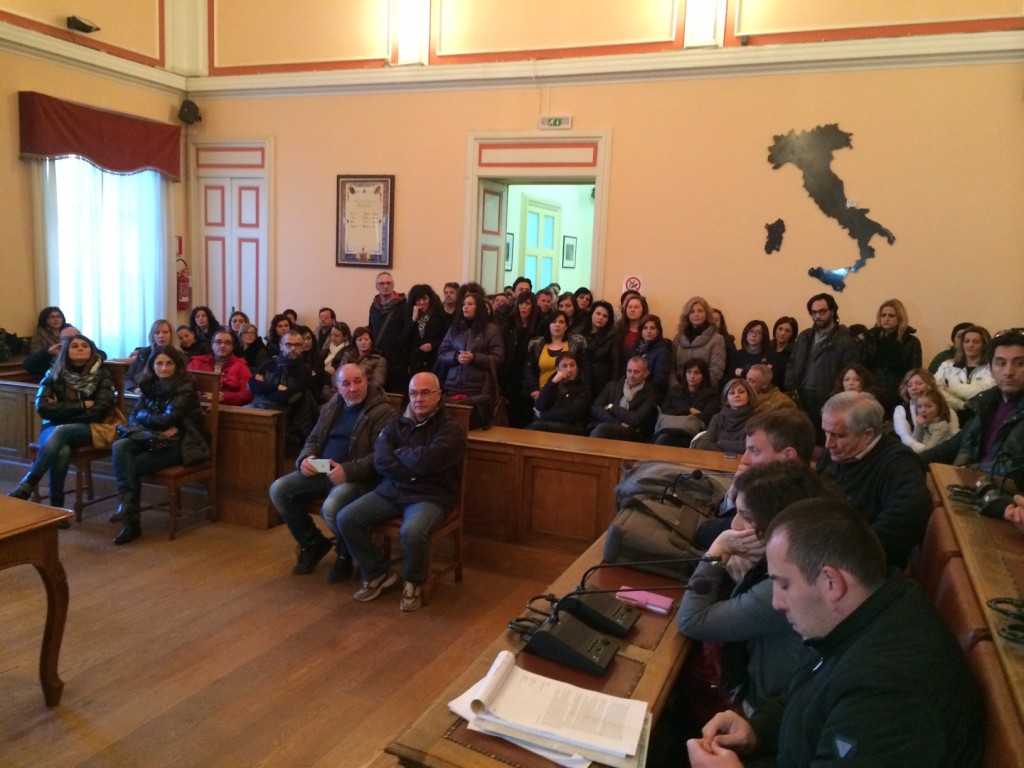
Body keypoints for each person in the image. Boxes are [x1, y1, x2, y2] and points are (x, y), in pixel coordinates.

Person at [687, 499, 985, 768]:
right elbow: (814, 692)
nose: (777, 602)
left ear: (832, 582)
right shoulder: (878, 605)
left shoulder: (888, 694)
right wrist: (757, 731)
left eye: (784, 584)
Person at [674, 463, 835, 735]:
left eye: (745, 516)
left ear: (778, 525)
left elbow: (691, 620)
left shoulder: (781, 586)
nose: (734, 525)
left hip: (758, 716)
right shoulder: (809, 550)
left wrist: (719, 548)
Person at [337, 372, 467, 612]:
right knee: (346, 517)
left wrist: (404, 455)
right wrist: (413, 466)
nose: (419, 398)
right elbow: (381, 460)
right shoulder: (396, 423)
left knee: (412, 531)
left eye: (426, 392)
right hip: (392, 490)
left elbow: (427, 462)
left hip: (431, 496)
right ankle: (378, 573)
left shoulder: (451, 429)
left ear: (439, 395)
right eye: (414, 393)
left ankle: (413, 581)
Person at [269, 363, 396, 581]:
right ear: (338, 387)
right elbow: (313, 438)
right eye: (346, 384)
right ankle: (313, 544)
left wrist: (346, 471)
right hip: (324, 467)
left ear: (367, 381)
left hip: (358, 475)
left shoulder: (383, 411)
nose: (353, 388)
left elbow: (380, 457)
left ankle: (345, 555)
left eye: (358, 381)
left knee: (332, 507)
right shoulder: (332, 405)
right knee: (279, 489)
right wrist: (306, 458)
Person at [7, 334, 117, 522]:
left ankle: (30, 481)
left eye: (84, 345)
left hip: (88, 428)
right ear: (67, 351)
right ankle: (57, 510)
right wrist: (83, 405)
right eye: (75, 346)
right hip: (53, 427)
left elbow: (99, 411)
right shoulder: (53, 373)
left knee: (62, 431)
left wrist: (60, 410)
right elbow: (42, 407)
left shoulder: (102, 375)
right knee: (63, 451)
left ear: (92, 350)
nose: (80, 348)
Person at [817, 391, 931, 569]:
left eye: (838, 435)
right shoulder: (837, 451)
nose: (828, 443)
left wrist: (846, 553)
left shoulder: (899, 463)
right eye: (826, 433)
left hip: (857, 566)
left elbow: (909, 515)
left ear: (867, 435)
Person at [111, 345, 209, 545]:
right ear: (152, 365)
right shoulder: (149, 384)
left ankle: (130, 519)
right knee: (120, 447)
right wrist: (152, 423)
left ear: (177, 365)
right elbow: (134, 416)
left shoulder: (186, 386)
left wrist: (146, 418)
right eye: (159, 363)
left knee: (131, 466)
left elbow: (169, 419)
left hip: (183, 443)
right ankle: (129, 515)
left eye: (169, 363)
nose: (164, 368)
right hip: (154, 438)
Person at [922, 329, 1024, 491]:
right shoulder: (988, 403)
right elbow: (954, 445)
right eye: (1001, 363)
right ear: (990, 368)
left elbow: (1013, 470)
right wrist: (908, 460)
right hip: (970, 488)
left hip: (1005, 500)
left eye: (1019, 363)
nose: (1008, 372)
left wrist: (966, 472)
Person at [783, 293, 859, 443]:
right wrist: (789, 385)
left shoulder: (845, 340)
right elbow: (792, 363)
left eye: (822, 311)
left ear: (832, 311)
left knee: (824, 443)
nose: (817, 316)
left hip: (827, 399)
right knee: (800, 441)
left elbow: (849, 371)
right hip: (800, 397)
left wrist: (835, 395)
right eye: (814, 312)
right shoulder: (804, 336)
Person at [248, 329, 315, 446]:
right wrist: (277, 387)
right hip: (256, 407)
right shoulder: (269, 364)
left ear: (302, 347)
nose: (293, 348)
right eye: (288, 344)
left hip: (284, 416)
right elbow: (252, 385)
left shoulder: (304, 370)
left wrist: (263, 389)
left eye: (297, 345)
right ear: (281, 346)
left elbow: (288, 397)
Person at [435, 291, 505, 398]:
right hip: (452, 386)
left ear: (479, 308)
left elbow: (498, 358)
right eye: (464, 304)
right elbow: (442, 353)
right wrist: (456, 356)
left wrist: (474, 357)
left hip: (478, 389)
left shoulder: (491, 330)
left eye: (470, 304)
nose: (465, 307)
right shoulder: (455, 329)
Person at [859, 298, 922, 413]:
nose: (886, 319)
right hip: (872, 393)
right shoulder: (870, 339)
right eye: (883, 315)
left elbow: (914, 372)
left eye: (891, 316)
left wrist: (905, 392)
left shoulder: (911, 342)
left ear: (900, 318)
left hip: (899, 394)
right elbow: (862, 368)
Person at [935, 324, 995, 425]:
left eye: (976, 342)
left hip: (981, 419)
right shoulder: (947, 366)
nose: (970, 345)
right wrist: (961, 404)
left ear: (984, 345)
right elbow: (936, 391)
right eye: (967, 341)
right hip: (950, 419)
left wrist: (950, 389)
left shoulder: (992, 368)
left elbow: (985, 390)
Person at [653, 357, 720, 447]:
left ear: (703, 376)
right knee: (662, 439)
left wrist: (679, 412)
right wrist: (689, 410)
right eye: (689, 372)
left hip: (694, 434)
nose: (692, 376)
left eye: (696, 372)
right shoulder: (675, 391)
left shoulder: (710, 395)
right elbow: (665, 411)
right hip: (670, 429)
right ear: (685, 374)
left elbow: (708, 417)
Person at [589, 356, 658, 442]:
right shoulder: (613, 386)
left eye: (636, 372)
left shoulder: (649, 394)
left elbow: (637, 419)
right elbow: (595, 407)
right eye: (629, 371)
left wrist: (612, 407)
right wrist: (617, 423)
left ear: (646, 374)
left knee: (601, 430)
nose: (632, 375)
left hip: (632, 433)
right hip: (609, 425)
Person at [524, 310, 588, 402]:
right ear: (549, 325)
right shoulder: (537, 345)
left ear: (566, 327)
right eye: (554, 322)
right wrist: (534, 388)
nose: (557, 325)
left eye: (561, 322)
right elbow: (529, 368)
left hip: (567, 394)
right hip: (541, 393)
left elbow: (585, 369)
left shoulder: (575, 345)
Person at [526, 351, 590, 435]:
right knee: (535, 423)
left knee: (537, 426)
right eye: (564, 366)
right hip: (551, 422)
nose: (569, 369)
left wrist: (543, 416)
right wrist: (553, 382)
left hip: (572, 427)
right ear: (557, 369)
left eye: (572, 365)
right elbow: (540, 405)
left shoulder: (584, 387)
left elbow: (570, 414)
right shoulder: (554, 381)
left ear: (577, 367)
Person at [673, 296, 727, 391]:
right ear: (687, 315)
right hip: (679, 391)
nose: (696, 314)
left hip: (705, 393)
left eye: (700, 311)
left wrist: (698, 390)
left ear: (707, 314)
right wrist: (676, 387)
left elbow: (716, 371)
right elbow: (672, 367)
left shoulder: (717, 339)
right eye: (692, 311)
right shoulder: (678, 338)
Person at [187, 329, 253, 405]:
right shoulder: (197, 363)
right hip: (198, 407)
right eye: (218, 342)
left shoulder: (241, 366)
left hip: (227, 410)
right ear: (212, 346)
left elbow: (248, 393)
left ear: (232, 347)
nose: (223, 346)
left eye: (227, 343)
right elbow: (184, 386)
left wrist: (224, 396)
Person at [693, 378, 758, 454]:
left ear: (749, 397)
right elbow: (705, 444)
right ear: (727, 399)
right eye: (732, 393)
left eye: (741, 392)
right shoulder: (717, 418)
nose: (736, 395)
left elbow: (748, 446)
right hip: (716, 462)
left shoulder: (756, 420)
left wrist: (721, 443)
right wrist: (726, 456)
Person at [369, 271, 409, 393]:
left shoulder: (404, 306)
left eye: (388, 283)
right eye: (381, 283)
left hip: (397, 361)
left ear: (393, 285)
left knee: (395, 396)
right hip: (378, 358)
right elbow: (371, 329)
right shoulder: (374, 308)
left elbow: (407, 331)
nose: (385, 286)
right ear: (377, 287)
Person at [403, 283, 449, 377]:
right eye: (418, 300)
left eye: (424, 299)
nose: (421, 302)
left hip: (433, 361)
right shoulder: (409, 316)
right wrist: (413, 319)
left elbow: (446, 339)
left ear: (430, 299)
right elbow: (404, 339)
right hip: (415, 363)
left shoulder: (440, 316)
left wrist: (433, 345)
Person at [894, 386, 953, 453]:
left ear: (939, 408)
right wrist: (919, 426)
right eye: (919, 407)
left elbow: (930, 449)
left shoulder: (942, 425)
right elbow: (915, 440)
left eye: (928, 406)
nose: (923, 410)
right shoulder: (925, 423)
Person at [629, 313, 672, 397]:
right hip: (632, 390)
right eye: (645, 328)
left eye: (652, 328)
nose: (648, 331)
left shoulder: (663, 351)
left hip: (651, 394)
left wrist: (640, 388)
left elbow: (659, 379)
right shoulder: (635, 348)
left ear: (658, 331)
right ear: (641, 331)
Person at [584, 299, 620, 399]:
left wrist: (612, 388)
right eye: (598, 313)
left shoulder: (613, 336)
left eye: (605, 316)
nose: (600, 318)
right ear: (591, 314)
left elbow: (616, 365)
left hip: (601, 383)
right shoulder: (581, 333)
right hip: (581, 381)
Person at [125, 319, 175, 392]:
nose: (161, 336)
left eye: (165, 332)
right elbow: (128, 378)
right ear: (152, 336)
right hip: (142, 395)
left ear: (171, 335)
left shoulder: (178, 356)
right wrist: (134, 389)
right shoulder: (143, 354)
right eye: (157, 333)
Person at [616, 294, 648, 368]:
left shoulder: (648, 331)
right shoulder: (618, 329)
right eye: (629, 307)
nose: (632, 310)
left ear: (643, 310)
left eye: (636, 307)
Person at [768, 315, 798, 388]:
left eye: (787, 331)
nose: (782, 333)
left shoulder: (796, 351)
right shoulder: (767, 347)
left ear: (792, 334)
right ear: (775, 330)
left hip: (786, 391)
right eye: (780, 329)